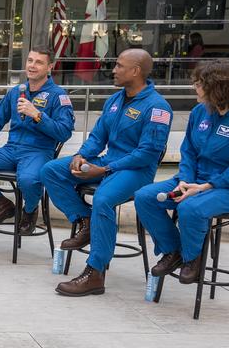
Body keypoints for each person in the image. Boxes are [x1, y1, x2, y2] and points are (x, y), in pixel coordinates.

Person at [41, 49, 172, 296]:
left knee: (103, 198)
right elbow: (98, 137)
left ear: (135, 71)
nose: (114, 70)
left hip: (135, 170)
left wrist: (106, 169)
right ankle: (86, 220)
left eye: (120, 66)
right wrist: (82, 155)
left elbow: (148, 153)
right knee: (51, 171)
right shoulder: (114, 100)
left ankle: (95, 273)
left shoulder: (157, 108)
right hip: (107, 162)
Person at [134, 59, 229, 285]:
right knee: (145, 197)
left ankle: (192, 258)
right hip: (193, 180)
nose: (194, 87)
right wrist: (185, 180)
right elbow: (189, 151)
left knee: (190, 208)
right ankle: (173, 251)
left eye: (199, 83)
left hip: (228, 188)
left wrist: (204, 187)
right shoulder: (199, 112)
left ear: (217, 87)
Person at [0, 45, 75, 235]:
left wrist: (37, 115)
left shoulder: (58, 95)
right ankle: (2, 204)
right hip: (11, 149)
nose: (32, 66)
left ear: (50, 67)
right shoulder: (17, 91)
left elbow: (64, 132)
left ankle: (29, 211)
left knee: (27, 180)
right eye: (30, 61)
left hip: (39, 151)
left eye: (39, 62)